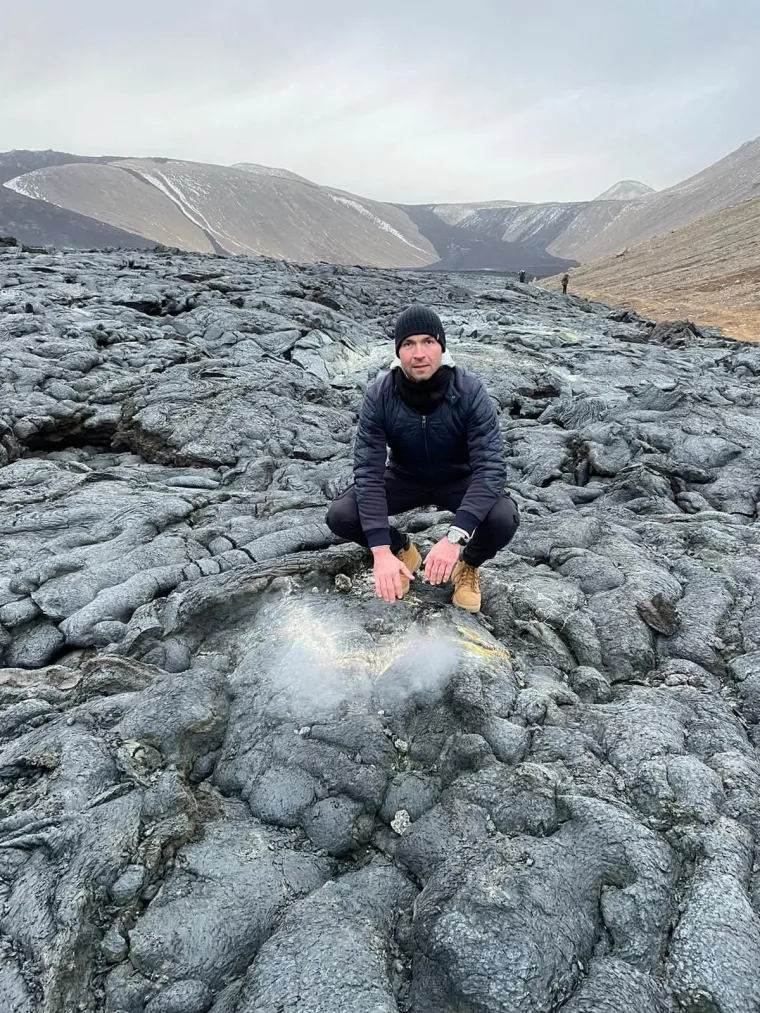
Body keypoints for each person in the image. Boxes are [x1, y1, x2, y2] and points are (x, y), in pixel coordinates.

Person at [326, 305, 519, 612]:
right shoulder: (380, 395)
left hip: (459, 479)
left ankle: (468, 565)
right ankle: (402, 549)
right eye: (408, 344)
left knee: (503, 518)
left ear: (441, 346)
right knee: (341, 514)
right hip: (405, 477)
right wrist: (380, 550)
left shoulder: (470, 391)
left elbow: (491, 469)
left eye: (428, 341)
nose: (419, 354)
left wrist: (454, 538)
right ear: (398, 351)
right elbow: (368, 472)